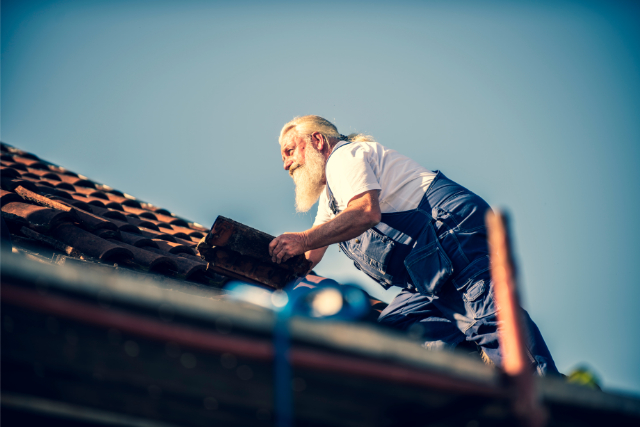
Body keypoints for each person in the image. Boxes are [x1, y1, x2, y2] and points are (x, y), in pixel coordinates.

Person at [268, 115, 558, 375]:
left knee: (487, 316)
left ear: (317, 140)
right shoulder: (331, 196)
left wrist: (302, 239)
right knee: (397, 330)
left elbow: (366, 212)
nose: (286, 164)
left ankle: (545, 394)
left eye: (290, 151)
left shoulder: (344, 158)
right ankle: (472, 365)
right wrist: (278, 275)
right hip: (428, 268)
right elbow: (312, 250)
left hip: (451, 236)